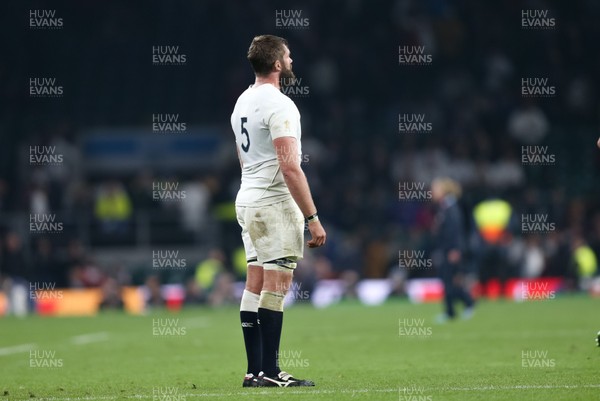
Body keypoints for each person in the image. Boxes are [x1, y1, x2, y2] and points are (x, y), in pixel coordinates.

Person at [231, 35, 326, 388]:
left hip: (247, 198)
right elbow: (290, 168)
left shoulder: (241, 101)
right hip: (273, 202)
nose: (291, 61)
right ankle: (271, 373)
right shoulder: (281, 104)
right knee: (277, 283)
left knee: (254, 281)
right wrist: (313, 218)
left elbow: (244, 159)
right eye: (288, 57)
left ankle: (253, 372)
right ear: (276, 64)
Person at [430, 178, 474, 321]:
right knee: (447, 281)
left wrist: (455, 249)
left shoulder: (450, 208)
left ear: (443, 190)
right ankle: (457, 308)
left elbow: (456, 230)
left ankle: (462, 305)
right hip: (445, 250)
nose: (432, 192)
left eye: (435, 189)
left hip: (451, 250)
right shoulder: (444, 207)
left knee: (449, 281)